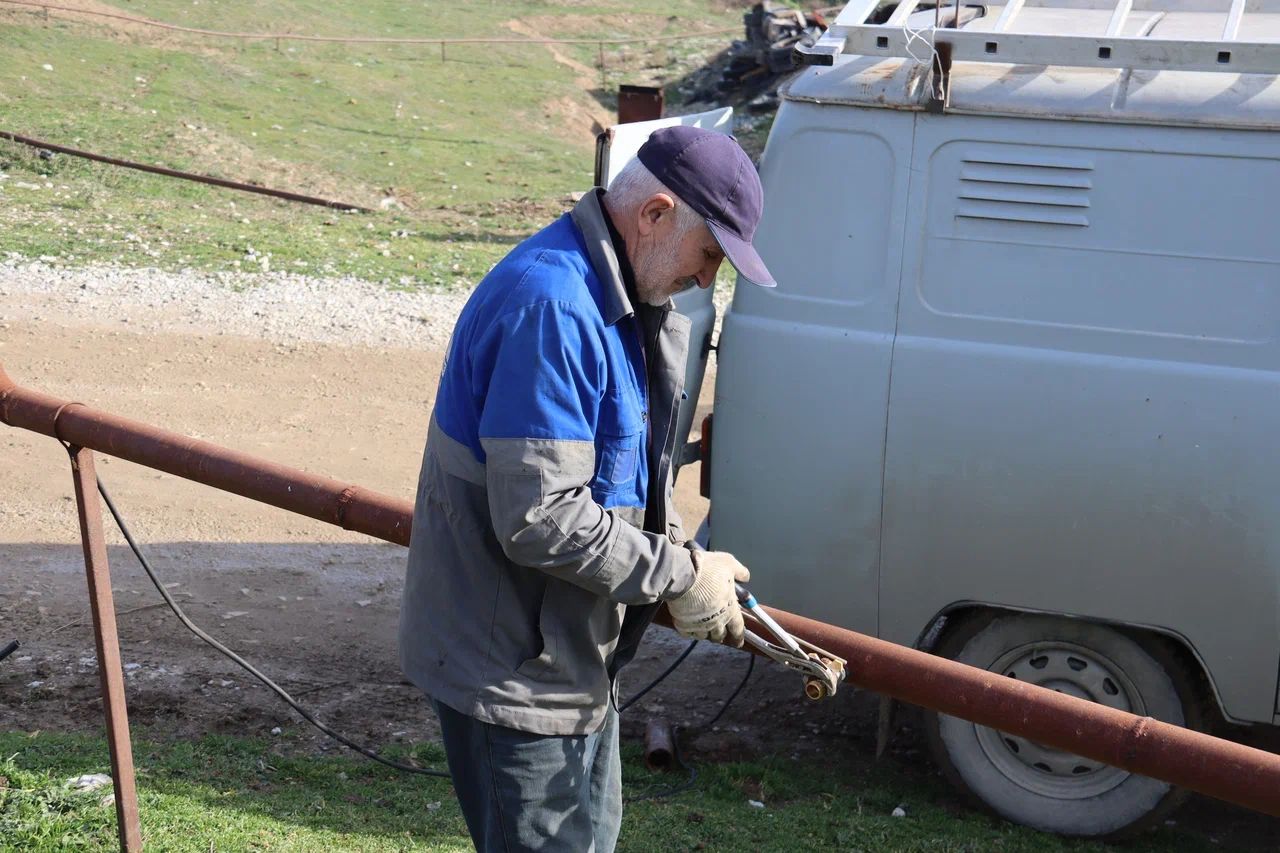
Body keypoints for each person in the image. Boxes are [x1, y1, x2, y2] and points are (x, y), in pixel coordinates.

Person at [399, 125, 776, 852]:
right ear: (655, 212)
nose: (706, 282)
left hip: (569, 665)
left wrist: (678, 561)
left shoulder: (617, 295)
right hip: (513, 676)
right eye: (709, 256)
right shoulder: (553, 306)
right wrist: (681, 573)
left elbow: (618, 478)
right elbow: (541, 516)